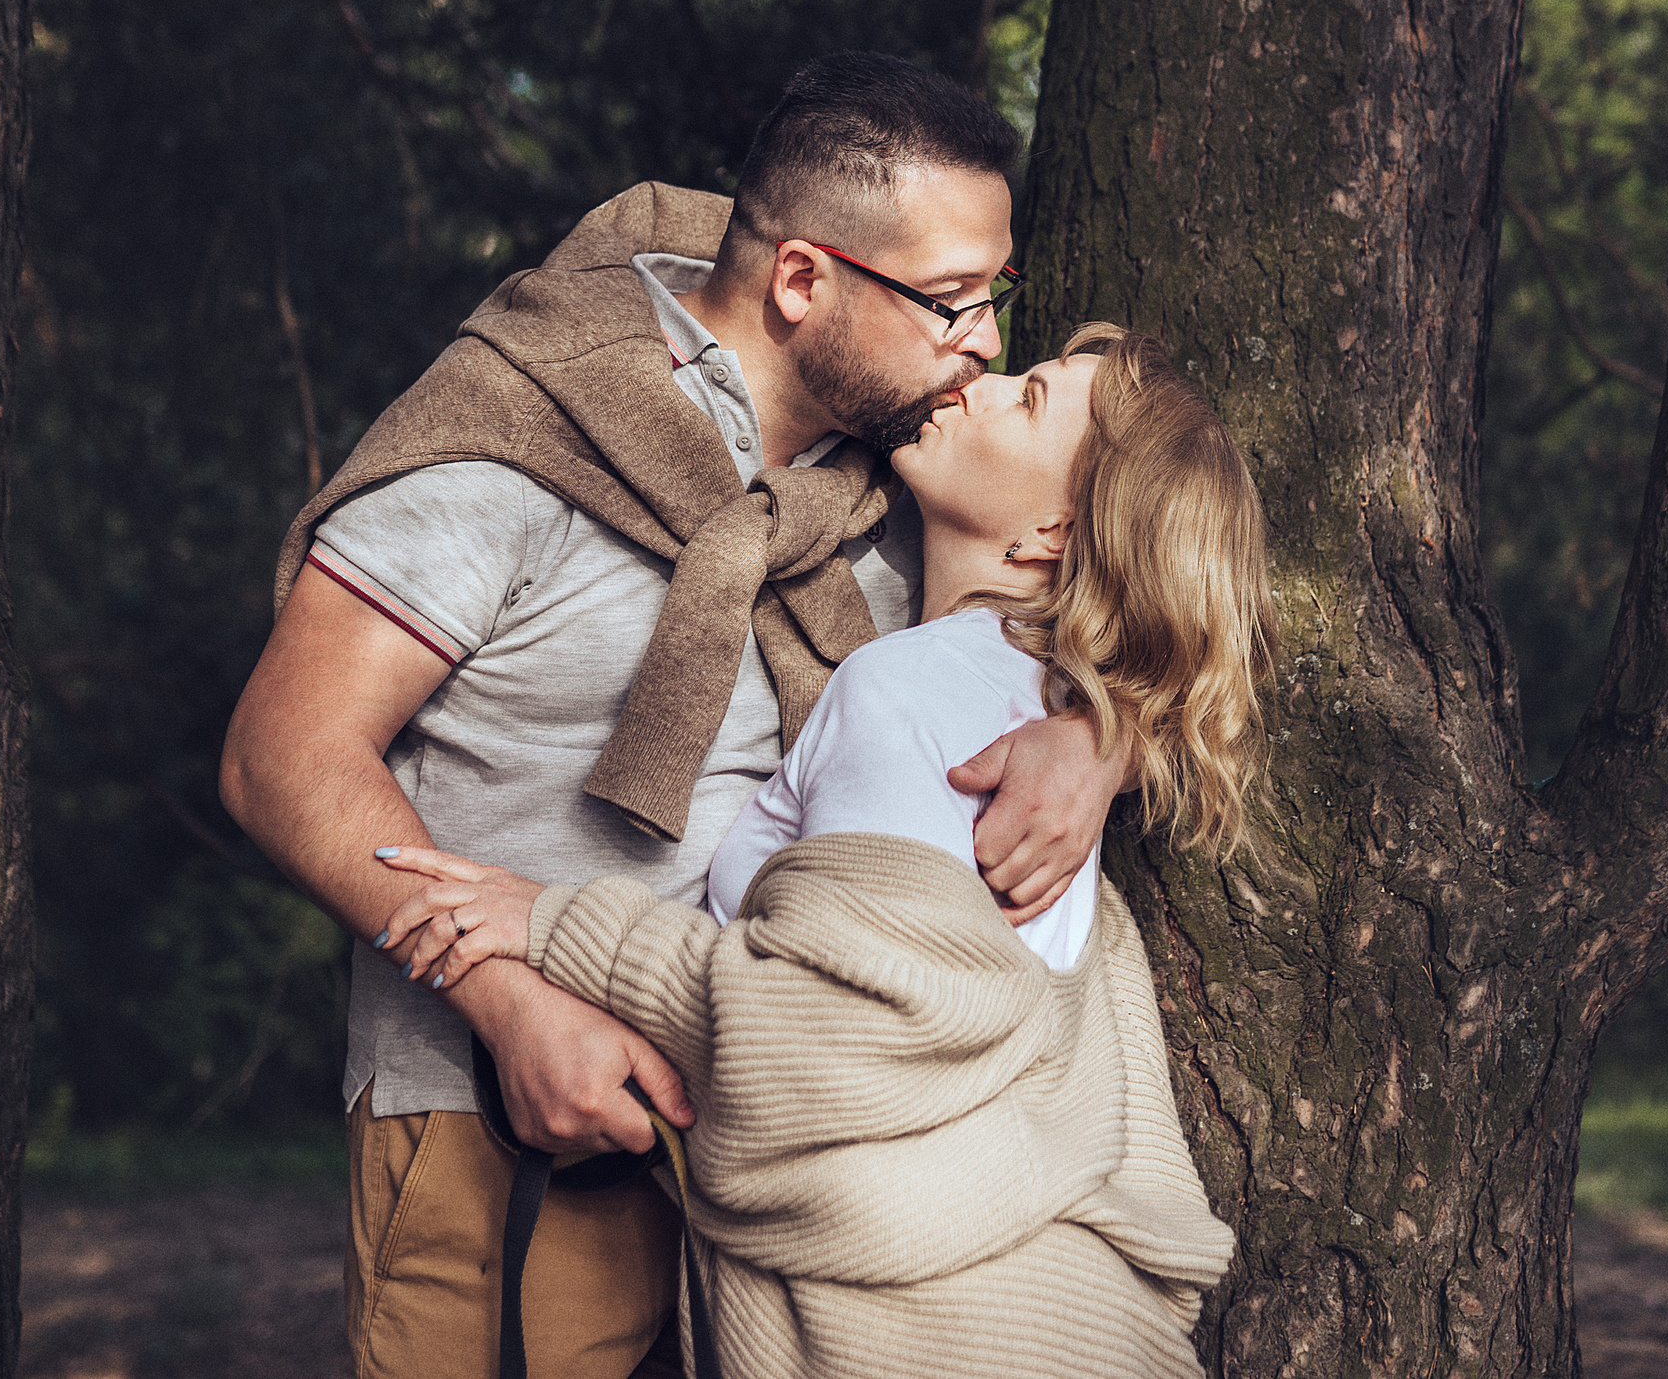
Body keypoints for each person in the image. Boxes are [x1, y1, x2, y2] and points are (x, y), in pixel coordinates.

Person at [218, 53, 1136, 1379]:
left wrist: (1101, 736)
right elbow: (282, 753)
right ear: (804, 279)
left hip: (769, 1138)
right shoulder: (514, 443)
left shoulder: (898, 483)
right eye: (949, 301)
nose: (984, 342)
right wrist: (512, 1003)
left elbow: (1108, 614)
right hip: (504, 1113)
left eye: (994, 296)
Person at [376, 323, 1276, 1379]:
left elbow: (835, 1034)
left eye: (1026, 400)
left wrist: (556, 923)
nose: (980, 383)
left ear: (1048, 533)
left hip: (941, 1339)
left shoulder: (915, 686)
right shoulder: (1034, 705)